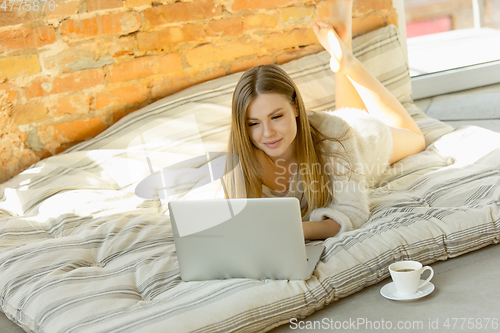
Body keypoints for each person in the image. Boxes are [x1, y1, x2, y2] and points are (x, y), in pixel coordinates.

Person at [224, 0, 425, 240]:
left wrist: (294, 230)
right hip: (336, 128)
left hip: (363, 139)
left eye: (276, 116)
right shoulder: (241, 161)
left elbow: (354, 212)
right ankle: (342, 44)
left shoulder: (335, 137)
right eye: (253, 123)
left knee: (417, 139)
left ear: (296, 107)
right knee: (342, 113)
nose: (267, 132)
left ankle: (349, 62)